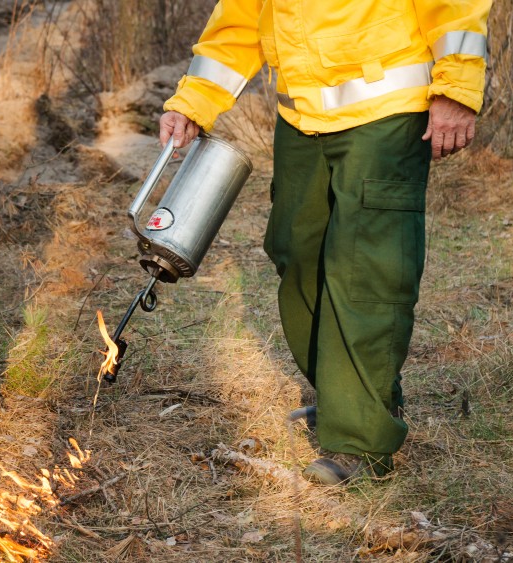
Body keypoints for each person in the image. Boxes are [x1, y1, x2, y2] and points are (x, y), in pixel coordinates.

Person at [159, 1, 491, 485]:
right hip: (301, 120)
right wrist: (193, 102)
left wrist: (457, 88)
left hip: (387, 112)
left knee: (364, 274)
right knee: (297, 255)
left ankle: (359, 438)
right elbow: (239, 21)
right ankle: (349, 396)